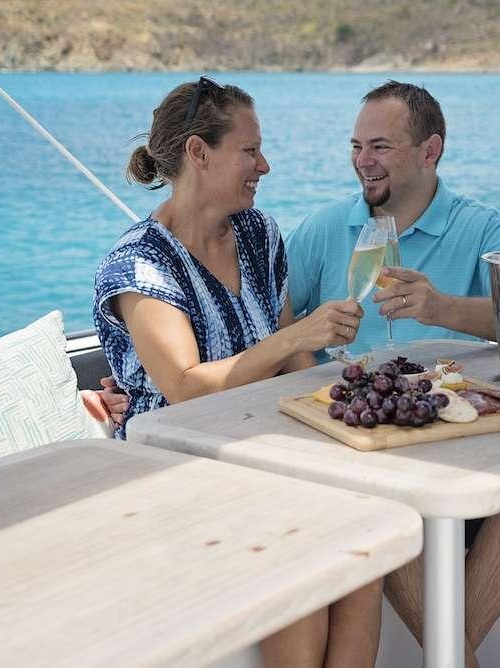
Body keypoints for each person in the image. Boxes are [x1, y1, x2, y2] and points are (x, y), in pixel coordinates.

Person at [92, 77, 381, 668]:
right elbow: (183, 387)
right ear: (199, 153)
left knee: (366, 551)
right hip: (174, 467)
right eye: (249, 151)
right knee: (307, 564)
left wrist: (344, 419)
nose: (264, 165)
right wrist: (298, 335)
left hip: (269, 452)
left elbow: (298, 366)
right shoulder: (138, 263)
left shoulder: (257, 233)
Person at [285, 81, 500, 668]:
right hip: (356, 425)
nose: (364, 160)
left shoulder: (483, 229)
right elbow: (279, 324)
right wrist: (309, 372)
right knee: (389, 503)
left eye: (381, 146)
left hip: (455, 421)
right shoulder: (323, 227)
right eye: (357, 145)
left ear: (430, 151)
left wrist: (442, 309)